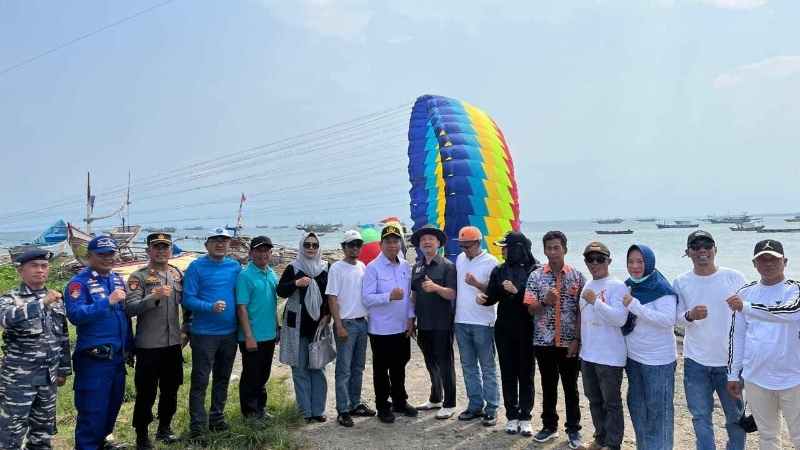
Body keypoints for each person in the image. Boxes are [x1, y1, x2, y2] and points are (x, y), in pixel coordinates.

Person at [673, 230, 747, 450]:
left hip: (730, 362)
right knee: (700, 418)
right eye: (695, 247)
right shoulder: (681, 281)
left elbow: (749, 316)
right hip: (696, 362)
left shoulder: (734, 277)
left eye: (707, 245)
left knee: (735, 418)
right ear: (688, 252)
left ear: (716, 249)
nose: (702, 250)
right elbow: (675, 317)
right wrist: (690, 315)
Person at [727, 239, 800, 450]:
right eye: (762, 259)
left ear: (785, 261)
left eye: (774, 259)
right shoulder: (745, 293)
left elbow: (789, 313)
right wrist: (733, 374)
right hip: (756, 378)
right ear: (754, 264)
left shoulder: (795, 291)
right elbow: (737, 336)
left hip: (793, 377)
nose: (768, 264)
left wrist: (747, 307)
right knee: (767, 436)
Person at [65, 236, 133, 450]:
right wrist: (107, 301)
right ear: (89, 257)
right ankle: (87, 446)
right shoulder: (79, 283)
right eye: (101, 254)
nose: (107, 258)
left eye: (111, 254)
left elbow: (123, 317)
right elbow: (75, 315)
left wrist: (129, 347)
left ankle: (102, 441)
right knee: (92, 409)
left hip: (117, 357)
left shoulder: (117, 279)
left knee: (112, 405)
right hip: (94, 359)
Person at [0, 250, 71, 450]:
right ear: (21, 271)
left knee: (43, 432)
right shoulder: (10, 298)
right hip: (18, 380)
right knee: (11, 432)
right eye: (34, 266)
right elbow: (5, 318)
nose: (40, 270)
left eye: (44, 266)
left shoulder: (56, 299)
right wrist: (41, 303)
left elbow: (63, 337)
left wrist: (63, 369)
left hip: (47, 378)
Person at [524, 231, 584, 448]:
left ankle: (574, 430)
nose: (552, 252)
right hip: (543, 341)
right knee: (548, 385)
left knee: (571, 387)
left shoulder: (577, 276)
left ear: (565, 249)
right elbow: (530, 309)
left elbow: (581, 311)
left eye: (556, 247)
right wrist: (545, 302)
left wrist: (577, 339)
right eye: (548, 248)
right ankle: (549, 426)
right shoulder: (535, 276)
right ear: (544, 250)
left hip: (569, 342)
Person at [126, 233, 187, 449]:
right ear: (148, 251)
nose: (161, 251)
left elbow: (186, 305)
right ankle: (142, 435)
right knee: (146, 392)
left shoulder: (177, 274)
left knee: (171, 389)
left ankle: (165, 428)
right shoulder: (138, 277)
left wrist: (185, 330)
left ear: (171, 250)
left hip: (173, 344)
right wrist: (154, 297)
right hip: (149, 346)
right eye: (157, 247)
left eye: (165, 247)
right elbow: (130, 308)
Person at [183, 227, 242, 442]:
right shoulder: (196, 267)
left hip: (230, 333)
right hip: (203, 334)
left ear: (229, 245)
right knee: (200, 381)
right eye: (215, 240)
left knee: (222, 378)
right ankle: (197, 427)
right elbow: (187, 299)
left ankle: (216, 419)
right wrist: (209, 306)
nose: (220, 244)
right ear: (206, 244)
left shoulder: (234, 266)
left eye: (224, 241)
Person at [480, 231, 538, 436]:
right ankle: (512, 416)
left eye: (505, 247)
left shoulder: (535, 269)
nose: (502, 251)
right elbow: (492, 295)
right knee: (508, 373)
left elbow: (537, 301)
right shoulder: (499, 269)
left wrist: (517, 292)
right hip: (504, 328)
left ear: (517, 249)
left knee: (526, 373)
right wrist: (484, 299)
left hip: (527, 328)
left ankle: (526, 417)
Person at [622, 244, 678, 450]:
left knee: (659, 411)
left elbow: (667, 320)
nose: (635, 266)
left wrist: (635, 305)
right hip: (633, 358)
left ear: (649, 262)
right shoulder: (628, 285)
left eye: (640, 261)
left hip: (658, 361)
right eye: (631, 261)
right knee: (637, 406)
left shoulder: (662, 288)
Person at [361, 224, 417, 424]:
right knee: (381, 370)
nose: (392, 245)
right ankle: (383, 406)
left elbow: (410, 296)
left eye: (395, 241)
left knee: (400, 366)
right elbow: (366, 299)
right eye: (388, 242)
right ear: (381, 244)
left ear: (400, 243)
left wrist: (411, 319)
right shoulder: (372, 268)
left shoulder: (405, 266)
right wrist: (388, 296)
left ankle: (400, 401)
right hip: (381, 329)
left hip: (401, 326)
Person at [578, 242, 628, 450]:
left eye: (600, 259)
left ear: (609, 260)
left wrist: (596, 302)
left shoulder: (618, 286)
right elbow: (583, 319)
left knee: (612, 403)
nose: (595, 263)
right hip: (588, 354)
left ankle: (613, 443)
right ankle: (600, 438)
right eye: (591, 259)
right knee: (594, 399)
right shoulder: (587, 285)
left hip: (610, 356)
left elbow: (620, 319)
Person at [277, 232, 331, 423]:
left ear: (319, 248)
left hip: (319, 327)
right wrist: (296, 283)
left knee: (318, 368)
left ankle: (318, 410)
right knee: (299, 369)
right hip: (297, 326)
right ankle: (305, 412)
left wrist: (328, 315)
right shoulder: (293, 267)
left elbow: (332, 296)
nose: (310, 248)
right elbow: (281, 290)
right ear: (301, 246)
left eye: (314, 245)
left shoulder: (325, 268)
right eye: (307, 245)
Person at [326, 230, 376, 427]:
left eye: (357, 244)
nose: (354, 247)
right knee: (344, 369)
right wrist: (338, 325)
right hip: (346, 323)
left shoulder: (363, 266)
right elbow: (332, 297)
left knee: (358, 367)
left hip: (362, 322)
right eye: (350, 244)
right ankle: (343, 409)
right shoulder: (337, 268)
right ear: (343, 247)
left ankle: (355, 403)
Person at [409, 224, 458, 420]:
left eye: (431, 238)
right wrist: (411, 319)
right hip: (424, 323)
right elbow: (413, 294)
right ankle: (436, 398)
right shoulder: (417, 266)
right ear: (419, 245)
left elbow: (452, 294)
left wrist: (436, 288)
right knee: (430, 363)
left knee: (446, 364)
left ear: (438, 243)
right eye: (423, 240)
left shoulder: (448, 266)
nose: (427, 242)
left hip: (442, 324)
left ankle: (450, 403)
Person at [453, 226, 500, 426]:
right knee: (468, 366)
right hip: (461, 320)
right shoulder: (460, 259)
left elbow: (496, 292)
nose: (464, 249)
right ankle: (474, 405)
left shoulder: (492, 262)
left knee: (488, 367)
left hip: (483, 322)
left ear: (478, 243)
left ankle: (492, 408)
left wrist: (477, 284)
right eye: (462, 245)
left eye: (468, 245)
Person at [235, 236, 279, 420]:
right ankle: (250, 412)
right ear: (251, 253)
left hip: (269, 334)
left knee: (263, 374)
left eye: (266, 250)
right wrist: (248, 335)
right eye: (259, 250)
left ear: (270, 253)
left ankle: (261, 408)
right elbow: (241, 307)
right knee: (251, 375)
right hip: (251, 336)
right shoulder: (245, 275)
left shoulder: (272, 273)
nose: (263, 254)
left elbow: (272, 304)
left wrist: (277, 327)